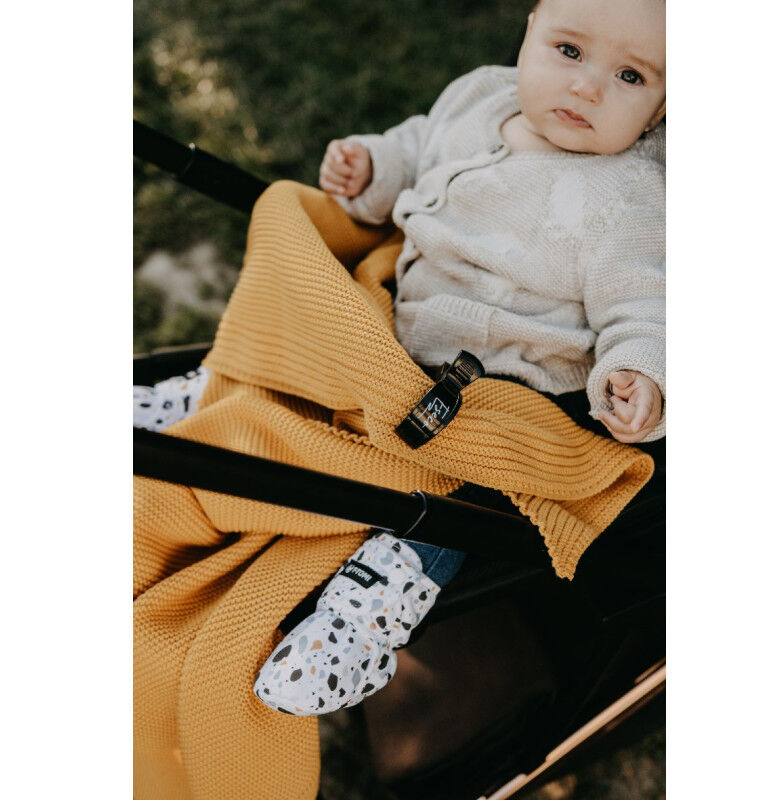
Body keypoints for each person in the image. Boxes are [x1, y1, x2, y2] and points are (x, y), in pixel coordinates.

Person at [135, 0, 666, 716]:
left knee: (476, 482)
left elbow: (644, 304)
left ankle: (374, 607)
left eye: (630, 76)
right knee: (306, 271)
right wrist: (375, 166)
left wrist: (639, 371)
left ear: (663, 107)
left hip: (500, 383)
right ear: (531, 27)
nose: (586, 86)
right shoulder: (481, 94)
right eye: (569, 51)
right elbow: (418, 145)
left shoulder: (631, 199)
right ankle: (220, 388)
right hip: (396, 328)